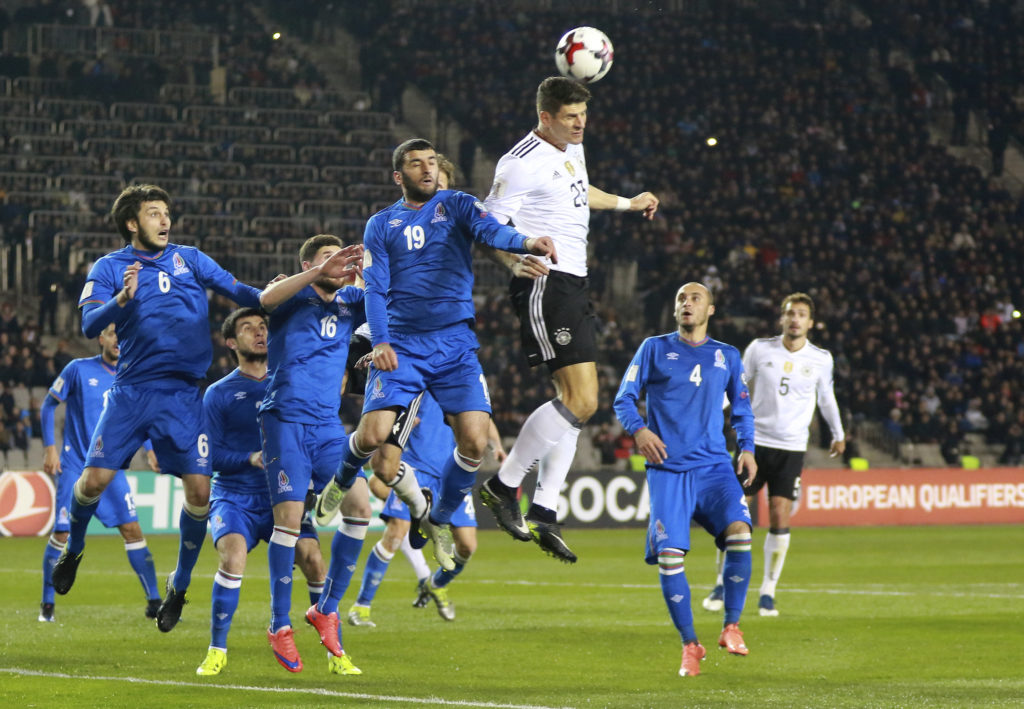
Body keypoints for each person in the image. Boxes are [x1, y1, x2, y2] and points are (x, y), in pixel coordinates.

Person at [51, 184, 360, 634]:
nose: (165, 220)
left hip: (183, 396)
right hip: (133, 391)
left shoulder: (190, 259)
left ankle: (177, 586)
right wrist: (121, 301)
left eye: (166, 212)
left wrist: (299, 282)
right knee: (93, 481)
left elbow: (245, 293)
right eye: (154, 213)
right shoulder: (111, 267)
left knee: (199, 493)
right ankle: (73, 548)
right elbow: (87, 324)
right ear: (133, 223)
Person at [314, 138, 556, 573]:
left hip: (455, 345)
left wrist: (525, 242)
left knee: (475, 441)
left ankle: (439, 516)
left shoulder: (458, 204)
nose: (426, 169)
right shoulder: (381, 224)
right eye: (415, 163)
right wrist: (382, 342)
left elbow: (491, 231)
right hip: (404, 342)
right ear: (398, 175)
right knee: (372, 437)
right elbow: (376, 286)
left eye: (430, 161)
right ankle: (342, 478)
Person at [479, 76, 659, 563]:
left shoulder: (571, 147)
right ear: (545, 117)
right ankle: (503, 485)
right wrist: (511, 261)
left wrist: (627, 203)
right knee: (582, 399)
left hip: (574, 282)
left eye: (583, 116)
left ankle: (544, 511)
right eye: (570, 117)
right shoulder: (519, 162)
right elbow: (486, 225)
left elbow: (581, 191)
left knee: (577, 403)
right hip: (545, 281)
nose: (581, 124)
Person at [613, 282, 757, 678]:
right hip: (668, 470)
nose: (686, 303)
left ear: (710, 310)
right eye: (681, 299)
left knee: (741, 531)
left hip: (714, 467)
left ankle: (731, 626)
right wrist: (639, 431)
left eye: (695, 298)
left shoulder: (727, 356)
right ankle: (690, 644)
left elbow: (742, 409)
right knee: (670, 555)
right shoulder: (654, 348)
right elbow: (623, 397)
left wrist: (747, 448)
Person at [195, 308, 330, 677]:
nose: (258, 333)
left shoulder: (290, 384)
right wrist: (249, 457)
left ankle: (335, 651)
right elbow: (208, 454)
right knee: (233, 557)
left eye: (263, 327)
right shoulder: (219, 393)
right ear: (230, 343)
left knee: (314, 560)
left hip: (282, 498)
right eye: (247, 328)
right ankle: (216, 649)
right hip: (235, 496)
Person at [258, 233, 366, 675]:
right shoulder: (292, 293)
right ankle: (279, 624)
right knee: (288, 522)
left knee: (359, 509)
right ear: (308, 263)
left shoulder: (351, 302)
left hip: (326, 425)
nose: (336, 263)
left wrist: (368, 267)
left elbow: (391, 298)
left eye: (340, 256)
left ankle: (326, 609)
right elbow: (264, 298)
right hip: (284, 418)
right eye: (327, 257)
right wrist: (316, 272)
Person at [702, 292, 844, 617]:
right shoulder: (759, 349)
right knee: (736, 515)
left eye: (802, 314)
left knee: (780, 513)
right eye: (790, 313)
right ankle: (722, 583)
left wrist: (839, 433)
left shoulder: (821, 359)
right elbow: (737, 387)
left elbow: (826, 398)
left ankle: (768, 589)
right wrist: (710, 412)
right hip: (753, 442)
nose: (795, 319)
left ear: (810, 322)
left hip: (791, 448)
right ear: (781, 318)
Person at [347, 390, 503, 626]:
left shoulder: (457, 381)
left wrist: (497, 445)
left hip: (452, 472)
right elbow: (386, 416)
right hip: (415, 469)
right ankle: (361, 606)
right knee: (396, 532)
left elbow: (482, 417)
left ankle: (434, 584)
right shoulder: (416, 380)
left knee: (467, 546)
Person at [39, 323, 160, 623]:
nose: (118, 338)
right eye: (112, 332)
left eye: (124, 332)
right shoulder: (77, 369)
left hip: (110, 469)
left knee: (132, 529)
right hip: (74, 467)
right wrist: (50, 448)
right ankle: (48, 605)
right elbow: (47, 406)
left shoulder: (130, 376)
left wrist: (150, 447)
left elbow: (138, 418)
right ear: (101, 338)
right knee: (63, 532)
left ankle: (155, 602)